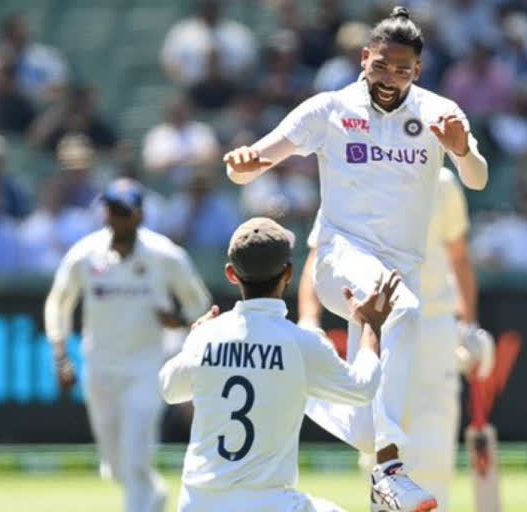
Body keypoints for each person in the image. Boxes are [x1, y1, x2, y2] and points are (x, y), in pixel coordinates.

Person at [222, 7, 488, 510]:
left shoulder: (437, 112)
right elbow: (257, 161)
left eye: (402, 69)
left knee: (368, 417)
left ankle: (310, 389)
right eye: (382, 65)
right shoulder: (328, 109)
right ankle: (388, 473)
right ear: (365, 58)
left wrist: (461, 150)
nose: (390, 79)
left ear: (418, 70)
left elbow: (477, 179)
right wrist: (241, 165)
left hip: (398, 270)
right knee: (406, 307)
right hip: (340, 260)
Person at [160, 217, 399, 512]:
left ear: (231, 275)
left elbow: (169, 389)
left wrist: (194, 339)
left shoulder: (207, 334)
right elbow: (363, 388)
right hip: (270, 503)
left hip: (197, 502)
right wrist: (371, 326)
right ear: (289, 272)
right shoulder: (301, 343)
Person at [298, 168, 496, 511]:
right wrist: (308, 320)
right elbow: (319, 255)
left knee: (433, 443)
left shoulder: (442, 183)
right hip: (377, 327)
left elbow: (458, 256)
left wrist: (469, 324)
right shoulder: (351, 177)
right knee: (375, 441)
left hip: (434, 326)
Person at [44, 178, 212, 512]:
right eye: (111, 211)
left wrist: (177, 322)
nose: (116, 219)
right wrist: (61, 355)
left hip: (146, 367)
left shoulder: (165, 256)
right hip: (100, 367)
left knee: (136, 459)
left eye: (123, 213)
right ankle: (154, 493)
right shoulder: (86, 254)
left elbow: (200, 307)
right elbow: (58, 304)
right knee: (115, 468)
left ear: (139, 216)